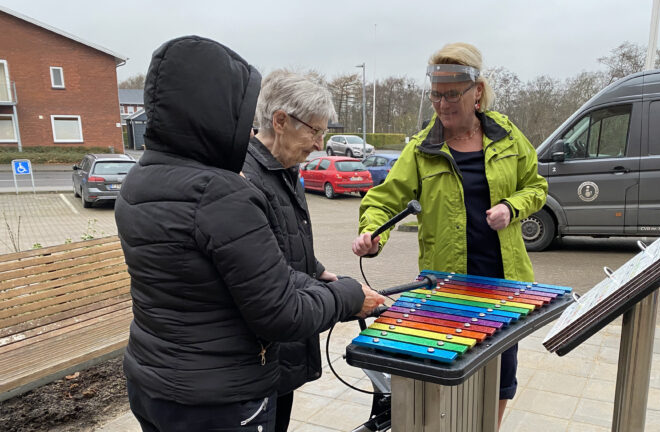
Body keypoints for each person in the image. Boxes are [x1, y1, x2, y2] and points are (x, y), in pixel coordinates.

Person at [115, 36, 384, 432]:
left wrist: (312, 274)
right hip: (217, 396)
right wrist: (347, 297)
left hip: (153, 382)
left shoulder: (138, 180)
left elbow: (228, 269)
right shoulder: (224, 190)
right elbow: (280, 313)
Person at [352, 42, 548, 428]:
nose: (442, 105)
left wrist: (512, 207)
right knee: (447, 377)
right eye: (436, 95)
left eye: (451, 95)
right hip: (447, 289)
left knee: (501, 381)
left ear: (477, 92)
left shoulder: (508, 136)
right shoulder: (423, 149)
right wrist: (371, 233)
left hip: (505, 285)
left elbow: (536, 187)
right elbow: (383, 200)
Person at [240, 69, 367, 431]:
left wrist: (317, 269)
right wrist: (343, 296)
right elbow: (259, 269)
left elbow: (281, 242)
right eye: (314, 131)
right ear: (280, 121)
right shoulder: (244, 178)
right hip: (256, 354)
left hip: (282, 348)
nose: (319, 145)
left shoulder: (284, 168)